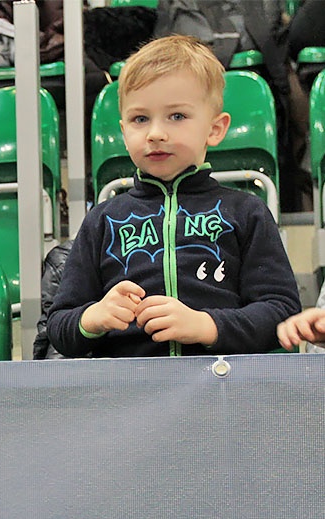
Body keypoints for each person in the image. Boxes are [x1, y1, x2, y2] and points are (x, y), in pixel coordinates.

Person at [47, 35, 301, 358]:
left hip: (222, 394)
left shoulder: (247, 212)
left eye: (177, 116)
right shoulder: (102, 220)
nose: (155, 133)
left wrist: (207, 326)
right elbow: (58, 325)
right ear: (124, 133)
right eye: (141, 119)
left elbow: (283, 314)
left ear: (215, 129)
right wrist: (92, 318)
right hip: (129, 399)